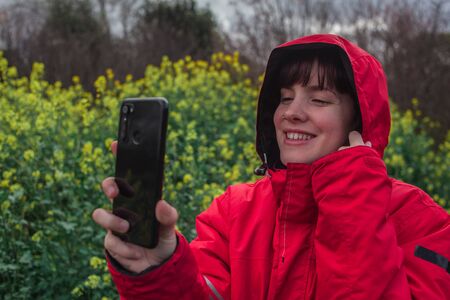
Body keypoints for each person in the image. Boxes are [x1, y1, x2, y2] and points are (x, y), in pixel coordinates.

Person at [92, 34, 450, 299]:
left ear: (359, 121)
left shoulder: (421, 223)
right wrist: (158, 269)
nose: (292, 112)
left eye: (319, 98)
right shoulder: (233, 212)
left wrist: (353, 199)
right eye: (285, 98)